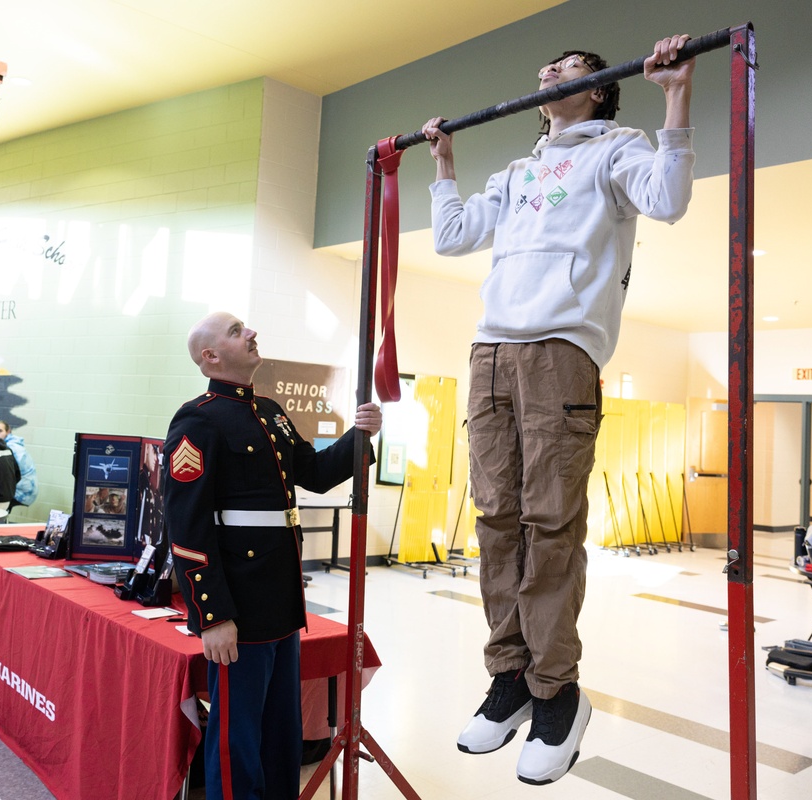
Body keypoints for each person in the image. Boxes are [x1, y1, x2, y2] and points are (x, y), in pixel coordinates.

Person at [421, 35, 696, 785]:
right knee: (495, 520)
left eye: (571, 68)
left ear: (601, 90)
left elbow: (668, 199)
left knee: (549, 523)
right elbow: (450, 236)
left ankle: (556, 693)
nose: (549, 72)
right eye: (544, 67)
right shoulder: (518, 172)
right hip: (490, 354)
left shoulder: (617, 149)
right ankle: (509, 675)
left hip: (559, 352)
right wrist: (443, 163)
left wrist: (674, 95)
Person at [162, 311, 382, 800]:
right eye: (237, 331)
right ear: (210, 356)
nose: (253, 332)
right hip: (237, 605)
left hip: (282, 602)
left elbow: (316, 473)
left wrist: (360, 436)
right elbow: (187, 527)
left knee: (281, 737)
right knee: (237, 738)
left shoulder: (271, 411)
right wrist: (212, 615)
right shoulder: (198, 419)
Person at [0, 420, 39, 509]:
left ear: (8, 431)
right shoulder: (12, 445)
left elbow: (9, 474)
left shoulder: (11, 448)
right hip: (26, 490)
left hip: (23, 492)